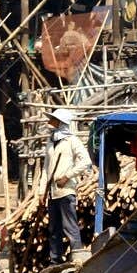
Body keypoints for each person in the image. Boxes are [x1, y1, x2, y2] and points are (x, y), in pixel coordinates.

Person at [44, 107, 91, 261]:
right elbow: (46, 168)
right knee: (53, 229)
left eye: (53, 120)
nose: (49, 122)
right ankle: (55, 260)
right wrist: (40, 191)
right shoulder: (50, 142)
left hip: (66, 190)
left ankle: (77, 257)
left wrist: (67, 176)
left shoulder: (72, 140)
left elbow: (85, 161)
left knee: (69, 226)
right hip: (52, 192)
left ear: (60, 123)